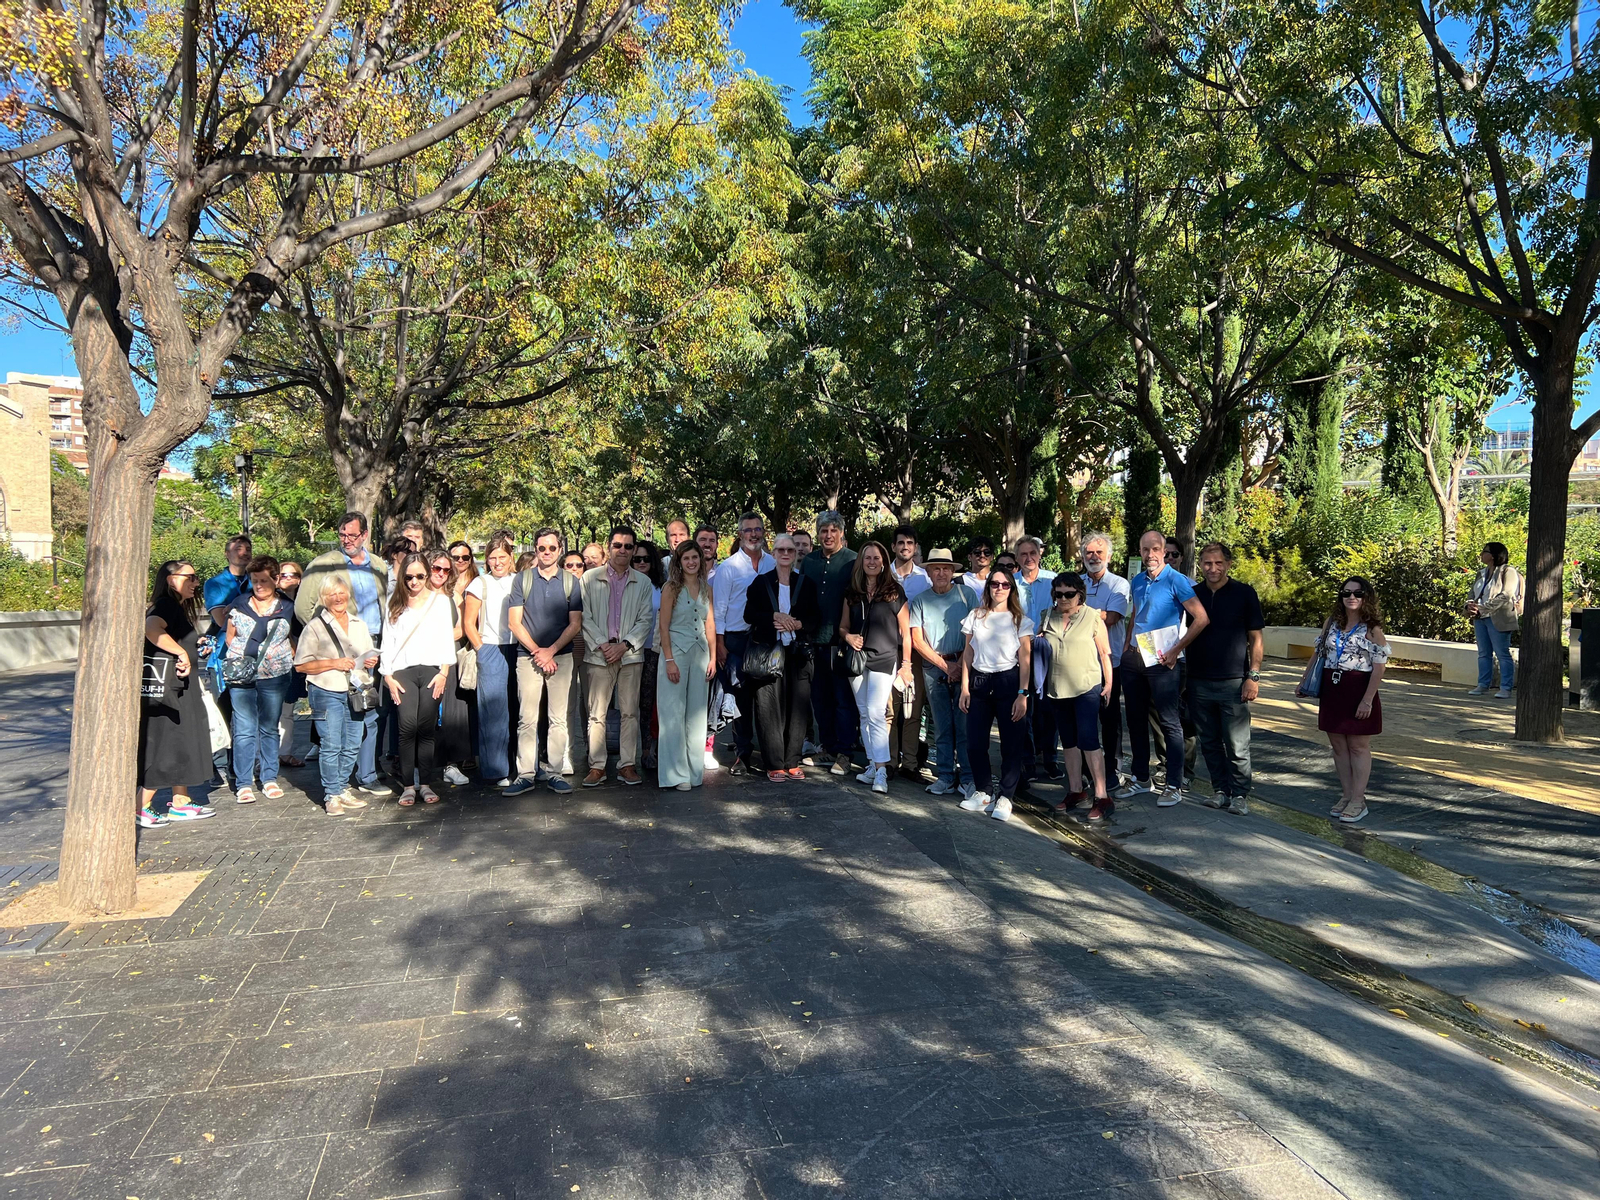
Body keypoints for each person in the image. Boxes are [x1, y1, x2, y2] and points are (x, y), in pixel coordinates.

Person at [296, 512, 393, 800]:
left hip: (372, 646)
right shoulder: (322, 566)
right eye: (342, 535)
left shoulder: (378, 565)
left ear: (365, 535)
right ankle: (336, 785)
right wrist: (329, 637)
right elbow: (303, 609)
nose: (347, 540)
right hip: (338, 649)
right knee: (338, 719)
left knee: (369, 712)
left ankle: (367, 775)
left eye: (352, 535)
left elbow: (384, 604)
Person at [1118, 530, 1210, 807]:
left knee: (1170, 723)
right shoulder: (1136, 580)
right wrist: (1126, 648)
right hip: (1135, 659)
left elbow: (1202, 618)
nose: (1150, 554)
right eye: (1145, 549)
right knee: (1134, 720)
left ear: (1163, 550)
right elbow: (1135, 616)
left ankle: (1173, 784)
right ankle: (1140, 778)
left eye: (1155, 549)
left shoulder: (1177, 580)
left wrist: (1176, 651)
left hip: (1162, 661)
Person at [1299, 577, 1390, 824]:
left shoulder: (1372, 629)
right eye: (1347, 592)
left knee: (1358, 746)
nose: (1352, 597)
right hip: (1333, 687)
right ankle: (1347, 795)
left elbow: (1380, 667)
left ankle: (1359, 800)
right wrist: (1304, 680)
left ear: (1366, 597)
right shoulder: (1332, 623)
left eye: (1358, 593)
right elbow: (1319, 652)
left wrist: (1367, 700)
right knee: (1338, 746)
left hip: (1358, 688)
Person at [504, 527, 583, 796]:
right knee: (527, 718)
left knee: (558, 719)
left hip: (561, 658)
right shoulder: (522, 580)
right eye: (541, 548)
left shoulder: (571, 582)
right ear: (535, 550)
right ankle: (525, 773)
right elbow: (514, 623)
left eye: (551, 548)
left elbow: (575, 624)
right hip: (528, 657)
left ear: (560, 550)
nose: (546, 552)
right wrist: (539, 651)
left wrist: (552, 650)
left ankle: (555, 772)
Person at [1187, 543, 1264, 816]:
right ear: (1201, 566)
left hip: (1233, 681)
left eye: (1218, 563)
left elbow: (1256, 638)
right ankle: (1220, 790)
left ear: (1228, 564)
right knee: (1208, 741)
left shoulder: (1244, 593)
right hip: (1197, 680)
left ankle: (1240, 795)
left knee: (1237, 744)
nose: (1213, 568)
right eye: (1207, 563)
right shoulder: (1192, 594)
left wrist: (1252, 676)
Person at [138, 561, 216, 826]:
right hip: (169, 692)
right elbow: (151, 629)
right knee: (168, 746)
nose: (196, 583)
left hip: (181, 689)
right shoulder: (165, 605)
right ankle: (141, 805)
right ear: (172, 580)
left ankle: (180, 802)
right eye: (190, 577)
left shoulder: (176, 608)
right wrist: (181, 652)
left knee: (182, 742)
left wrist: (194, 645)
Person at [294, 577, 378, 815]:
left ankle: (341, 788)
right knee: (331, 745)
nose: (338, 598)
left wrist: (370, 660)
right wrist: (334, 663)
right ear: (324, 598)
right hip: (326, 691)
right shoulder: (314, 627)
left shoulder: (359, 624)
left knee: (352, 743)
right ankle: (331, 794)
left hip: (354, 691)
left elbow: (364, 656)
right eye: (332, 594)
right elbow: (301, 665)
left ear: (348, 594)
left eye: (341, 593)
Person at [580, 526, 656, 786]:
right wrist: (603, 645)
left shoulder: (643, 582)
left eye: (627, 546)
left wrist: (624, 646)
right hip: (599, 655)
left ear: (634, 550)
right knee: (596, 713)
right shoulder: (589, 579)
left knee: (629, 713)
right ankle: (597, 766)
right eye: (617, 545)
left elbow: (646, 620)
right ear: (609, 546)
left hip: (630, 656)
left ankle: (627, 764)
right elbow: (584, 618)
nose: (622, 550)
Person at [958, 565, 1033, 821]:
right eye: (994, 583)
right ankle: (983, 791)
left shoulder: (1019, 620)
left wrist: (1023, 693)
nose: (999, 588)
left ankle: (1006, 796)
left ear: (1011, 589)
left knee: (1011, 744)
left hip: (1008, 681)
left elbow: (1025, 658)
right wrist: (965, 687)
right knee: (975, 742)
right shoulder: (976, 616)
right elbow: (968, 653)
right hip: (979, 682)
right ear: (988, 587)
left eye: (1005, 584)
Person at [1037, 572, 1114, 819]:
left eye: (1069, 594)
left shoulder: (1092, 616)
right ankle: (1076, 790)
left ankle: (1102, 796)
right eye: (1058, 594)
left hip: (1086, 687)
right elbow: (1038, 646)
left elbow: (1104, 653)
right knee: (1068, 741)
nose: (1063, 598)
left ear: (1080, 594)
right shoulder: (1047, 616)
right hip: (1057, 689)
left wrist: (1109, 683)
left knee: (1089, 740)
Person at [380, 551, 455, 805]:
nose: (414, 582)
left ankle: (425, 783)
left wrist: (444, 672)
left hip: (433, 671)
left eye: (420, 576)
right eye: (409, 577)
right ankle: (408, 786)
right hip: (402, 672)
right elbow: (387, 641)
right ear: (403, 577)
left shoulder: (440, 602)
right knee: (406, 727)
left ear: (427, 574)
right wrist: (388, 677)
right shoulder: (394, 602)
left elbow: (447, 639)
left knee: (426, 728)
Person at [746, 533, 822, 781]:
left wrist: (798, 624)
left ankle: (792, 760)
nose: (786, 554)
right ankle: (774, 762)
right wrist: (774, 617)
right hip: (768, 654)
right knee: (769, 708)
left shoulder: (807, 584)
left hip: (798, 654)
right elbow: (749, 615)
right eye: (781, 550)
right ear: (774, 553)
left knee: (798, 709)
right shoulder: (761, 583)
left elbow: (815, 619)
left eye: (790, 550)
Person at [222, 554, 298, 804]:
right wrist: (245, 660)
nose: (259, 586)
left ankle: (269, 777)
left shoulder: (287, 607)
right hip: (242, 677)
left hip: (275, 676)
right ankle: (243, 782)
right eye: (255, 581)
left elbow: (294, 638)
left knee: (269, 727)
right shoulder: (239, 604)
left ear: (276, 579)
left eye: (264, 580)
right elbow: (230, 636)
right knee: (243, 729)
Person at [839, 541, 913, 795]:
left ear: (883, 562)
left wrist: (906, 665)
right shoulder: (853, 592)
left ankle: (882, 769)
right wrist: (848, 638)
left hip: (884, 658)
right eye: (867, 557)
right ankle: (872, 763)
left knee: (876, 712)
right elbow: (843, 627)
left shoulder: (894, 591)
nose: (872, 561)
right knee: (863, 712)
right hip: (858, 659)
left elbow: (906, 632)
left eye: (876, 558)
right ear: (861, 561)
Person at [910, 549, 977, 799]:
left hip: (965, 664)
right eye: (936, 568)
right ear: (928, 572)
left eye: (946, 568)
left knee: (964, 725)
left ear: (953, 571)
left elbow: (977, 631)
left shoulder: (966, 594)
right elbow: (918, 640)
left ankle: (968, 777)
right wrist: (946, 666)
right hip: (934, 667)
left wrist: (959, 664)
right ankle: (945, 776)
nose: (941, 573)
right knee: (941, 726)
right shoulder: (920, 600)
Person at [712, 513, 776, 774]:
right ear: (740, 534)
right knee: (740, 699)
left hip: (766, 638)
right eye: (748, 530)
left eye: (758, 529)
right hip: (736, 640)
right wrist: (720, 644)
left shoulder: (774, 563)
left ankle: (771, 754)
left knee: (767, 699)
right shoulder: (728, 568)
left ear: (764, 533)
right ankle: (743, 753)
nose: (753, 534)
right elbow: (719, 609)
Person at [801, 510, 859, 776]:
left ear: (841, 533)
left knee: (842, 700)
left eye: (833, 530)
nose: (828, 535)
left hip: (841, 643)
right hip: (814, 642)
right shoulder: (809, 562)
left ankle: (845, 752)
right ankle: (827, 746)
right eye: (824, 530)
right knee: (820, 698)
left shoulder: (853, 561)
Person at [656, 540, 718, 790]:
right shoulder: (671, 588)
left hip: (700, 654)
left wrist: (713, 657)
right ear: (679, 562)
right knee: (672, 713)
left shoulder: (707, 588)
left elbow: (710, 624)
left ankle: (694, 772)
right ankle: (676, 774)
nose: (691, 562)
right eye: (686, 558)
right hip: (676, 653)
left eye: (695, 557)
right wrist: (669, 659)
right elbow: (663, 626)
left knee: (696, 713)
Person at [202, 532, 253, 787]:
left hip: (251, 656)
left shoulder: (257, 581)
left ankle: (238, 765)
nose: (243, 552)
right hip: (223, 659)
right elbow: (221, 620)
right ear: (227, 553)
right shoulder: (215, 583)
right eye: (238, 548)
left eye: (247, 548)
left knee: (245, 713)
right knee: (222, 713)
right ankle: (216, 765)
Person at [1080, 532, 1130, 780]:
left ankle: (1113, 769)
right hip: (1078, 664)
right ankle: (1084, 769)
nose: (1094, 556)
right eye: (1089, 552)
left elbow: (1112, 618)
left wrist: (1079, 610)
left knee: (1110, 719)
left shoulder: (1119, 584)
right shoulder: (1076, 583)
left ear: (1109, 556)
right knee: (1081, 718)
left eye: (1099, 552)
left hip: (1110, 662)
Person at [1014, 534, 1060, 784]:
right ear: (1017, 558)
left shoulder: (1053, 580)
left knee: (1049, 709)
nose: (1029, 558)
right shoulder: (1009, 583)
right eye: (1023, 554)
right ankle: (1028, 761)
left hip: (1048, 651)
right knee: (1025, 708)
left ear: (1040, 554)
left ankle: (1051, 759)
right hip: (1019, 653)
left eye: (1033, 553)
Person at [887, 525, 929, 779]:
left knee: (914, 707)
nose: (905, 547)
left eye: (910, 543)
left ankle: (910, 764)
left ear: (915, 547)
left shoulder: (924, 578)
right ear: (893, 546)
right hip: (887, 649)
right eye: (900, 542)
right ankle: (890, 761)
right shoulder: (882, 574)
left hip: (915, 650)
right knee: (889, 708)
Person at [429, 548, 473, 787]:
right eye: (437, 568)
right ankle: (420, 767)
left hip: (448, 657)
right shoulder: (416, 594)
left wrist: (440, 638)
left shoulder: (453, 596)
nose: (441, 573)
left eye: (446, 569)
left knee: (452, 715)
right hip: (422, 660)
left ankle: (451, 765)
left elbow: (462, 628)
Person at [1468, 541, 1522, 698]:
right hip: (1480, 618)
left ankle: (1505, 688)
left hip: (1498, 617)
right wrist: (1469, 605)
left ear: (1493, 555)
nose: (1481, 554)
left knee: (1502, 653)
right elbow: (1472, 593)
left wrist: (1484, 607)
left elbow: (1507, 594)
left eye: (1484, 551)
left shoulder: (1508, 571)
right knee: (1483, 653)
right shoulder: (1481, 573)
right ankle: (1483, 685)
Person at [274, 561, 313, 768]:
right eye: (283, 574)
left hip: (303, 659)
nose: (288, 578)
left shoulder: (305, 601)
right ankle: (267, 756)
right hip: (278, 660)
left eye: (293, 575)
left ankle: (285, 752)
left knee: (289, 708)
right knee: (273, 710)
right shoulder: (271, 600)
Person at [635, 540, 666, 770]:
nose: (642, 563)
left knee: (653, 703)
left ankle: (651, 750)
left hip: (654, 650)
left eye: (646, 558)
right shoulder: (626, 584)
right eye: (637, 559)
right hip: (630, 651)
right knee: (633, 705)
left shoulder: (662, 586)